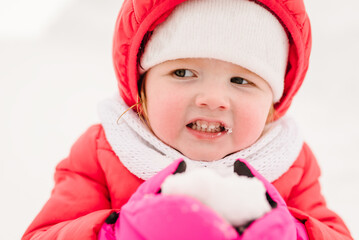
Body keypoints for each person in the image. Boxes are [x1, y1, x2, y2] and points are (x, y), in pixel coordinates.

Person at [22, 0, 353, 239]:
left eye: (241, 81)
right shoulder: (105, 150)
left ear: (273, 102)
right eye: (183, 72)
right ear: (141, 87)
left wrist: (289, 232)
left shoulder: (290, 162)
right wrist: (117, 231)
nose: (212, 98)